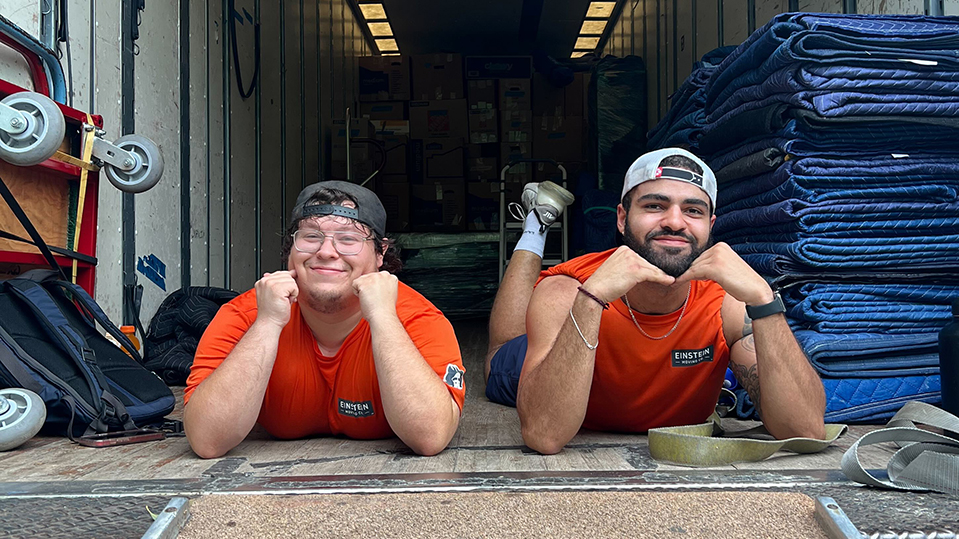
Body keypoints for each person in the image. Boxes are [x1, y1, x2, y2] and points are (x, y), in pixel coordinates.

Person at [484, 149, 826, 454]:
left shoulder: (727, 302)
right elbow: (544, 435)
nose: (675, 222)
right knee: (500, 355)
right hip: (555, 352)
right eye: (654, 206)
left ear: (710, 225)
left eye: (692, 210)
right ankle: (536, 225)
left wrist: (764, 299)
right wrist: (591, 298)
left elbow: (805, 431)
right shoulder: (568, 289)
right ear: (621, 218)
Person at [184, 182, 465, 458]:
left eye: (348, 239)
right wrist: (268, 323)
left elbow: (430, 436)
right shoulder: (246, 314)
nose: (327, 252)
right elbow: (208, 440)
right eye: (311, 236)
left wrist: (383, 318)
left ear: (380, 253)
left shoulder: (417, 316)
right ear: (290, 249)